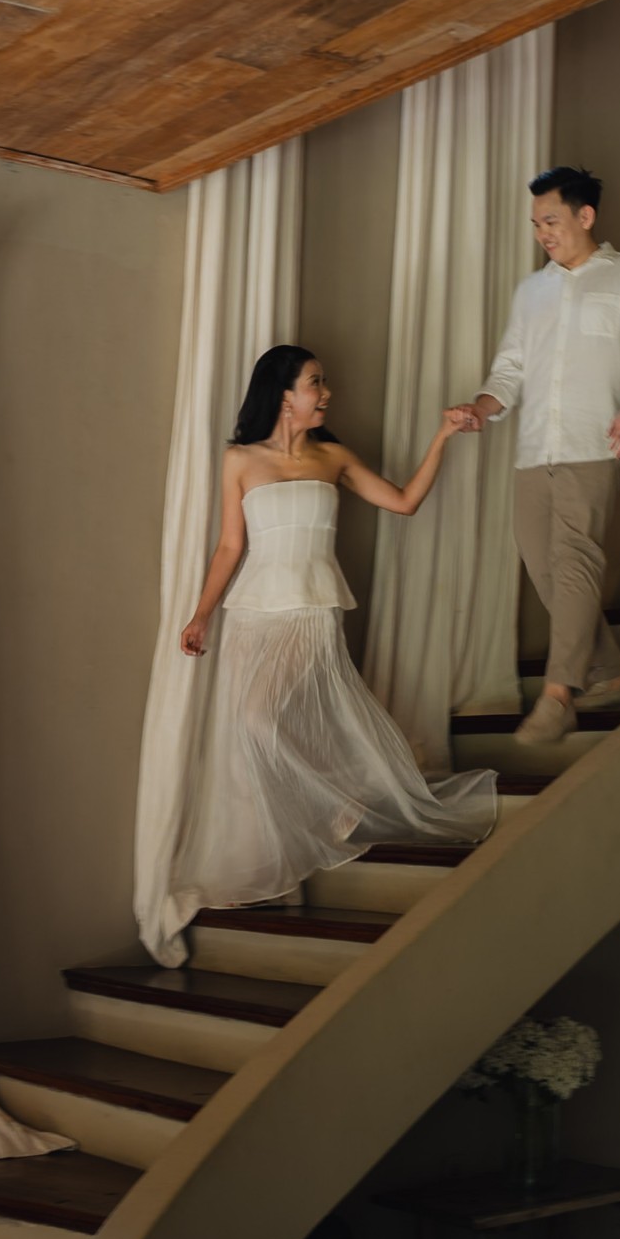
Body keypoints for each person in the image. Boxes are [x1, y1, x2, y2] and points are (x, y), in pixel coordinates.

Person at [172, 346, 497, 912]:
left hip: (312, 609)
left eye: (323, 383)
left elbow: (404, 502)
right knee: (249, 730)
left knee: (259, 718)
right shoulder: (239, 460)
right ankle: (289, 841)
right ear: (284, 395)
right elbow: (229, 545)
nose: (325, 393)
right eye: (315, 382)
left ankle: (338, 806)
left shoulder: (334, 457)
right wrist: (201, 614)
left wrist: (443, 436)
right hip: (252, 612)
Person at [453, 166, 620, 747]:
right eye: (535, 224)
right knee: (545, 570)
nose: (542, 233)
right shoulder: (532, 291)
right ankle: (615, 676)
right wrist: (481, 408)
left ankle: (557, 697)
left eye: (550, 220)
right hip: (533, 450)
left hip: (594, 443)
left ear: (585, 215)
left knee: (575, 562)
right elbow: (510, 367)